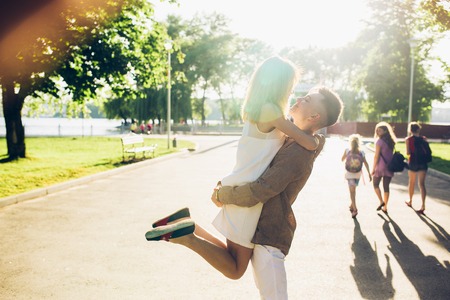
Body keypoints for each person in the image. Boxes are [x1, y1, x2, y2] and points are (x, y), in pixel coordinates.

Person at [146, 86, 344, 299]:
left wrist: (225, 195)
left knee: (239, 270)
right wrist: (226, 191)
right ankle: (189, 235)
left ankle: (190, 229)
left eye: (306, 99)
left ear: (315, 116)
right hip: (263, 228)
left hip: (266, 231)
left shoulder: (298, 151)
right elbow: (262, 174)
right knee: (242, 274)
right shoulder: (293, 140)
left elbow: (263, 189)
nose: (298, 98)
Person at [341, 134, 372, 218]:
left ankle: (355, 209)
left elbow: (342, 159)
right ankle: (352, 205)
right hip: (358, 174)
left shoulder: (347, 151)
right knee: (353, 190)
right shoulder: (361, 152)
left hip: (349, 173)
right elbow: (366, 163)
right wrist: (369, 174)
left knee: (352, 191)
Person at [405, 122, 430, 214]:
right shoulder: (424, 139)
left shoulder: (408, 139)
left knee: (411, 182)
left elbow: (408, 153)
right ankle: (423, 205)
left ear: (410, 130)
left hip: (413, 163)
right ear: (419, 129)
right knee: (422, 184)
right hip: (423, 163)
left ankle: (410, 200)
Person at [371, 121, 397, 214]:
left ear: (385, 131)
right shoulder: (392, 141)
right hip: (389, 166)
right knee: (386, 187)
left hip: (380, 166)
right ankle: (385, 207)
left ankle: (381, 201)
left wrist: (373, 168)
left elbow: (376, 156)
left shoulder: (379, 141)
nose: (377, 132)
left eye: (380, 130)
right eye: (377, 130)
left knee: (375, 184)